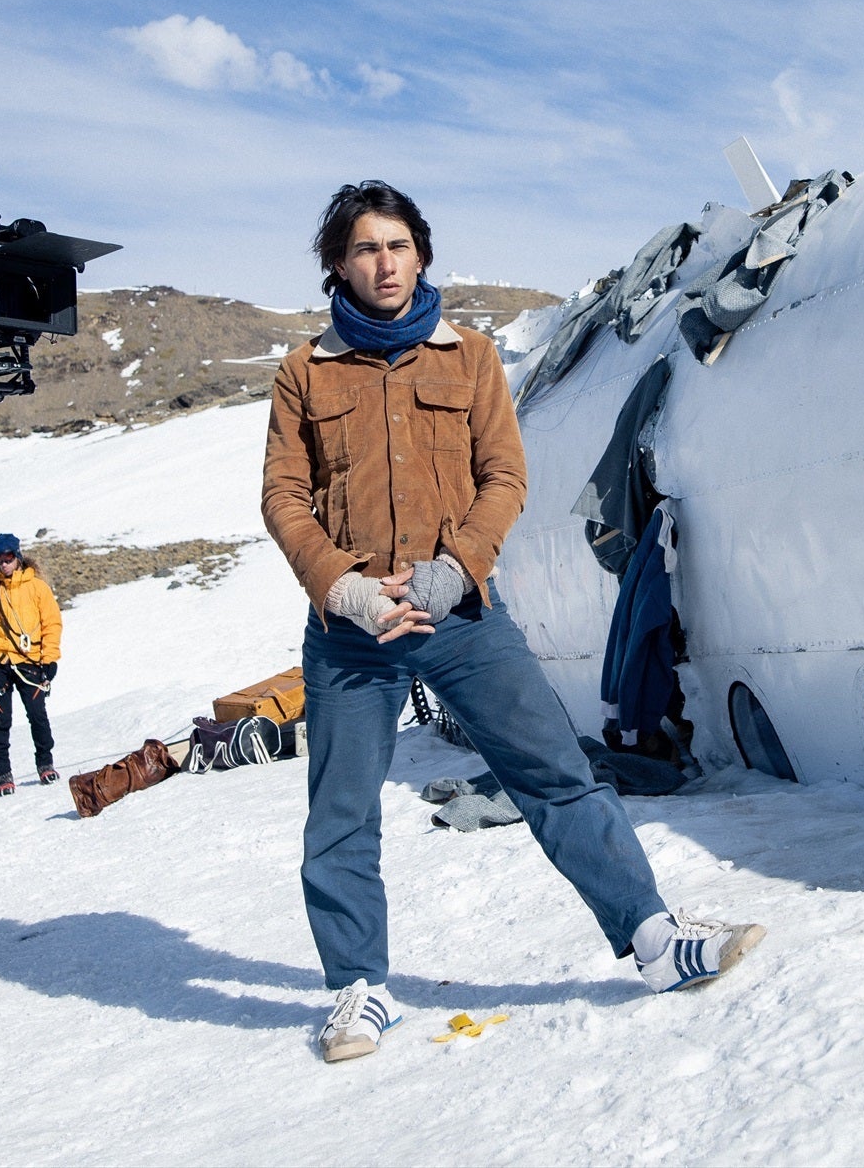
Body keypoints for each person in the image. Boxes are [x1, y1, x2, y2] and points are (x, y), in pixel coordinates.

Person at [262, 181, 764, 1063]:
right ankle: (356, 988)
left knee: (557, 775)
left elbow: (504, 477)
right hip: (352, 629)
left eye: (398, 245)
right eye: (365, 249)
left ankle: (654, 937)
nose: (384, 262)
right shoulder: (306, 371)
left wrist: (456, 571)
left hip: (461, 614)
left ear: (421, 253)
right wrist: (343, 588)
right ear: (338, 265)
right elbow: (284, 497)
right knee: (340, 814)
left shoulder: (472, 357)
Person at [0, 533, 62, 795]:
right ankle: (3, 775)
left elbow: (51, 624)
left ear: (17, 557)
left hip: (30, 663)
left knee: (37, 715)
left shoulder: (38, 588)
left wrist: (50, 659)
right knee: (0, 721)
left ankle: (45, 764)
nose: (3, 564)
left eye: (8, 557)